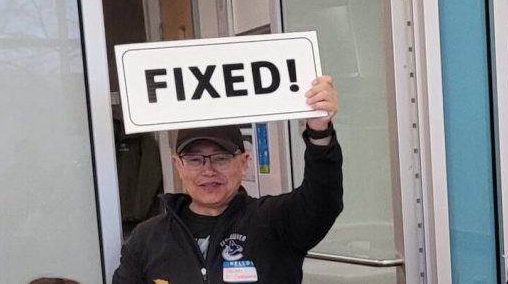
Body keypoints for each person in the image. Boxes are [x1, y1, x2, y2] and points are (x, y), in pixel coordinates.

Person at [112, 76, 343, 284]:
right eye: (194, 160)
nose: (208, 170)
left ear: (244, 162)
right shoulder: (146, 239)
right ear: (178, 166)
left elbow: (322, 200)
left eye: (221, 158)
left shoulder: (275, 221)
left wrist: (319, 132)